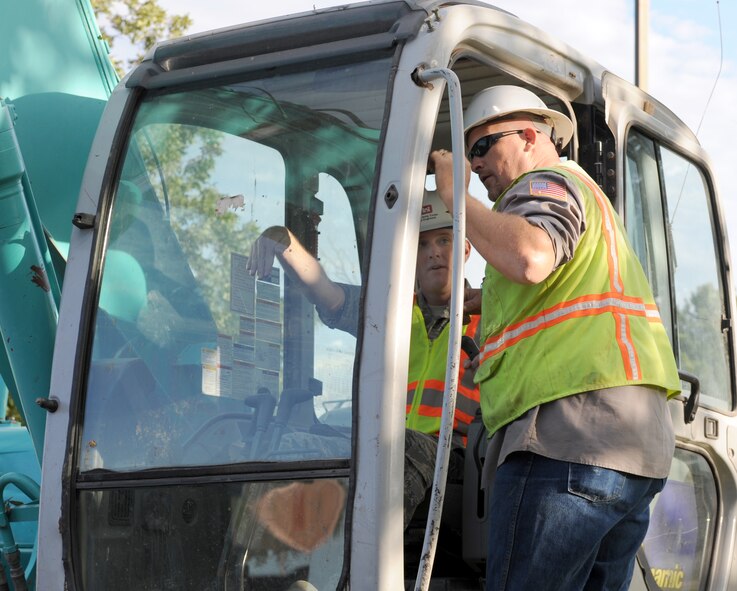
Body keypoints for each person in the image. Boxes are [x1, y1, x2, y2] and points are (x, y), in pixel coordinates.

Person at [430, 85, 681, 590]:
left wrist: (456, 197)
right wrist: (480, 299)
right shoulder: (587, 201)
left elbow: (531, 257)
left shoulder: (545, 183)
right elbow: (552, 290)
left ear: (528, 135)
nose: (475, 164)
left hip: (569, 443)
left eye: (482, 148)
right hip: (630, 452)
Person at [246, 190, 481, 528]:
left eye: (445, 240)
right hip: (392, 450)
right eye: (421, 245)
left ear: (466, 249)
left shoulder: (492, 319)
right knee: (293, 444)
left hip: (456, 460)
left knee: (394, 448)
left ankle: (367, 563)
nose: (434, 254)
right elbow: (328, 294)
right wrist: (285, 244)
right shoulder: (391, 314)